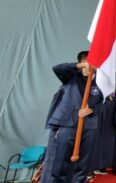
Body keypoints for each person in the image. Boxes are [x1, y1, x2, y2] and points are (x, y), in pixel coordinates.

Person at [41, 51, 104, 183]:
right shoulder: (71, 77)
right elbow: (57, 68)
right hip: (68, 124)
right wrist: (79, 66)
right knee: (60, 163)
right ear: (81, 63)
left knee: (83, 164)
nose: (91, 65)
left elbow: (103, 104)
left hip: (89, 126)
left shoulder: (100, 82)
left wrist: (91, 110)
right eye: (87, 62)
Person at [89, 75, 116, 176]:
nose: (115, 82)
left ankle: (101, 166)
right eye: (113, 80)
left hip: (109, 123)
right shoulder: (98, 90)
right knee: (94, 145)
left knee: (106, 146)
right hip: (96, 121)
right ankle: (90, 168)